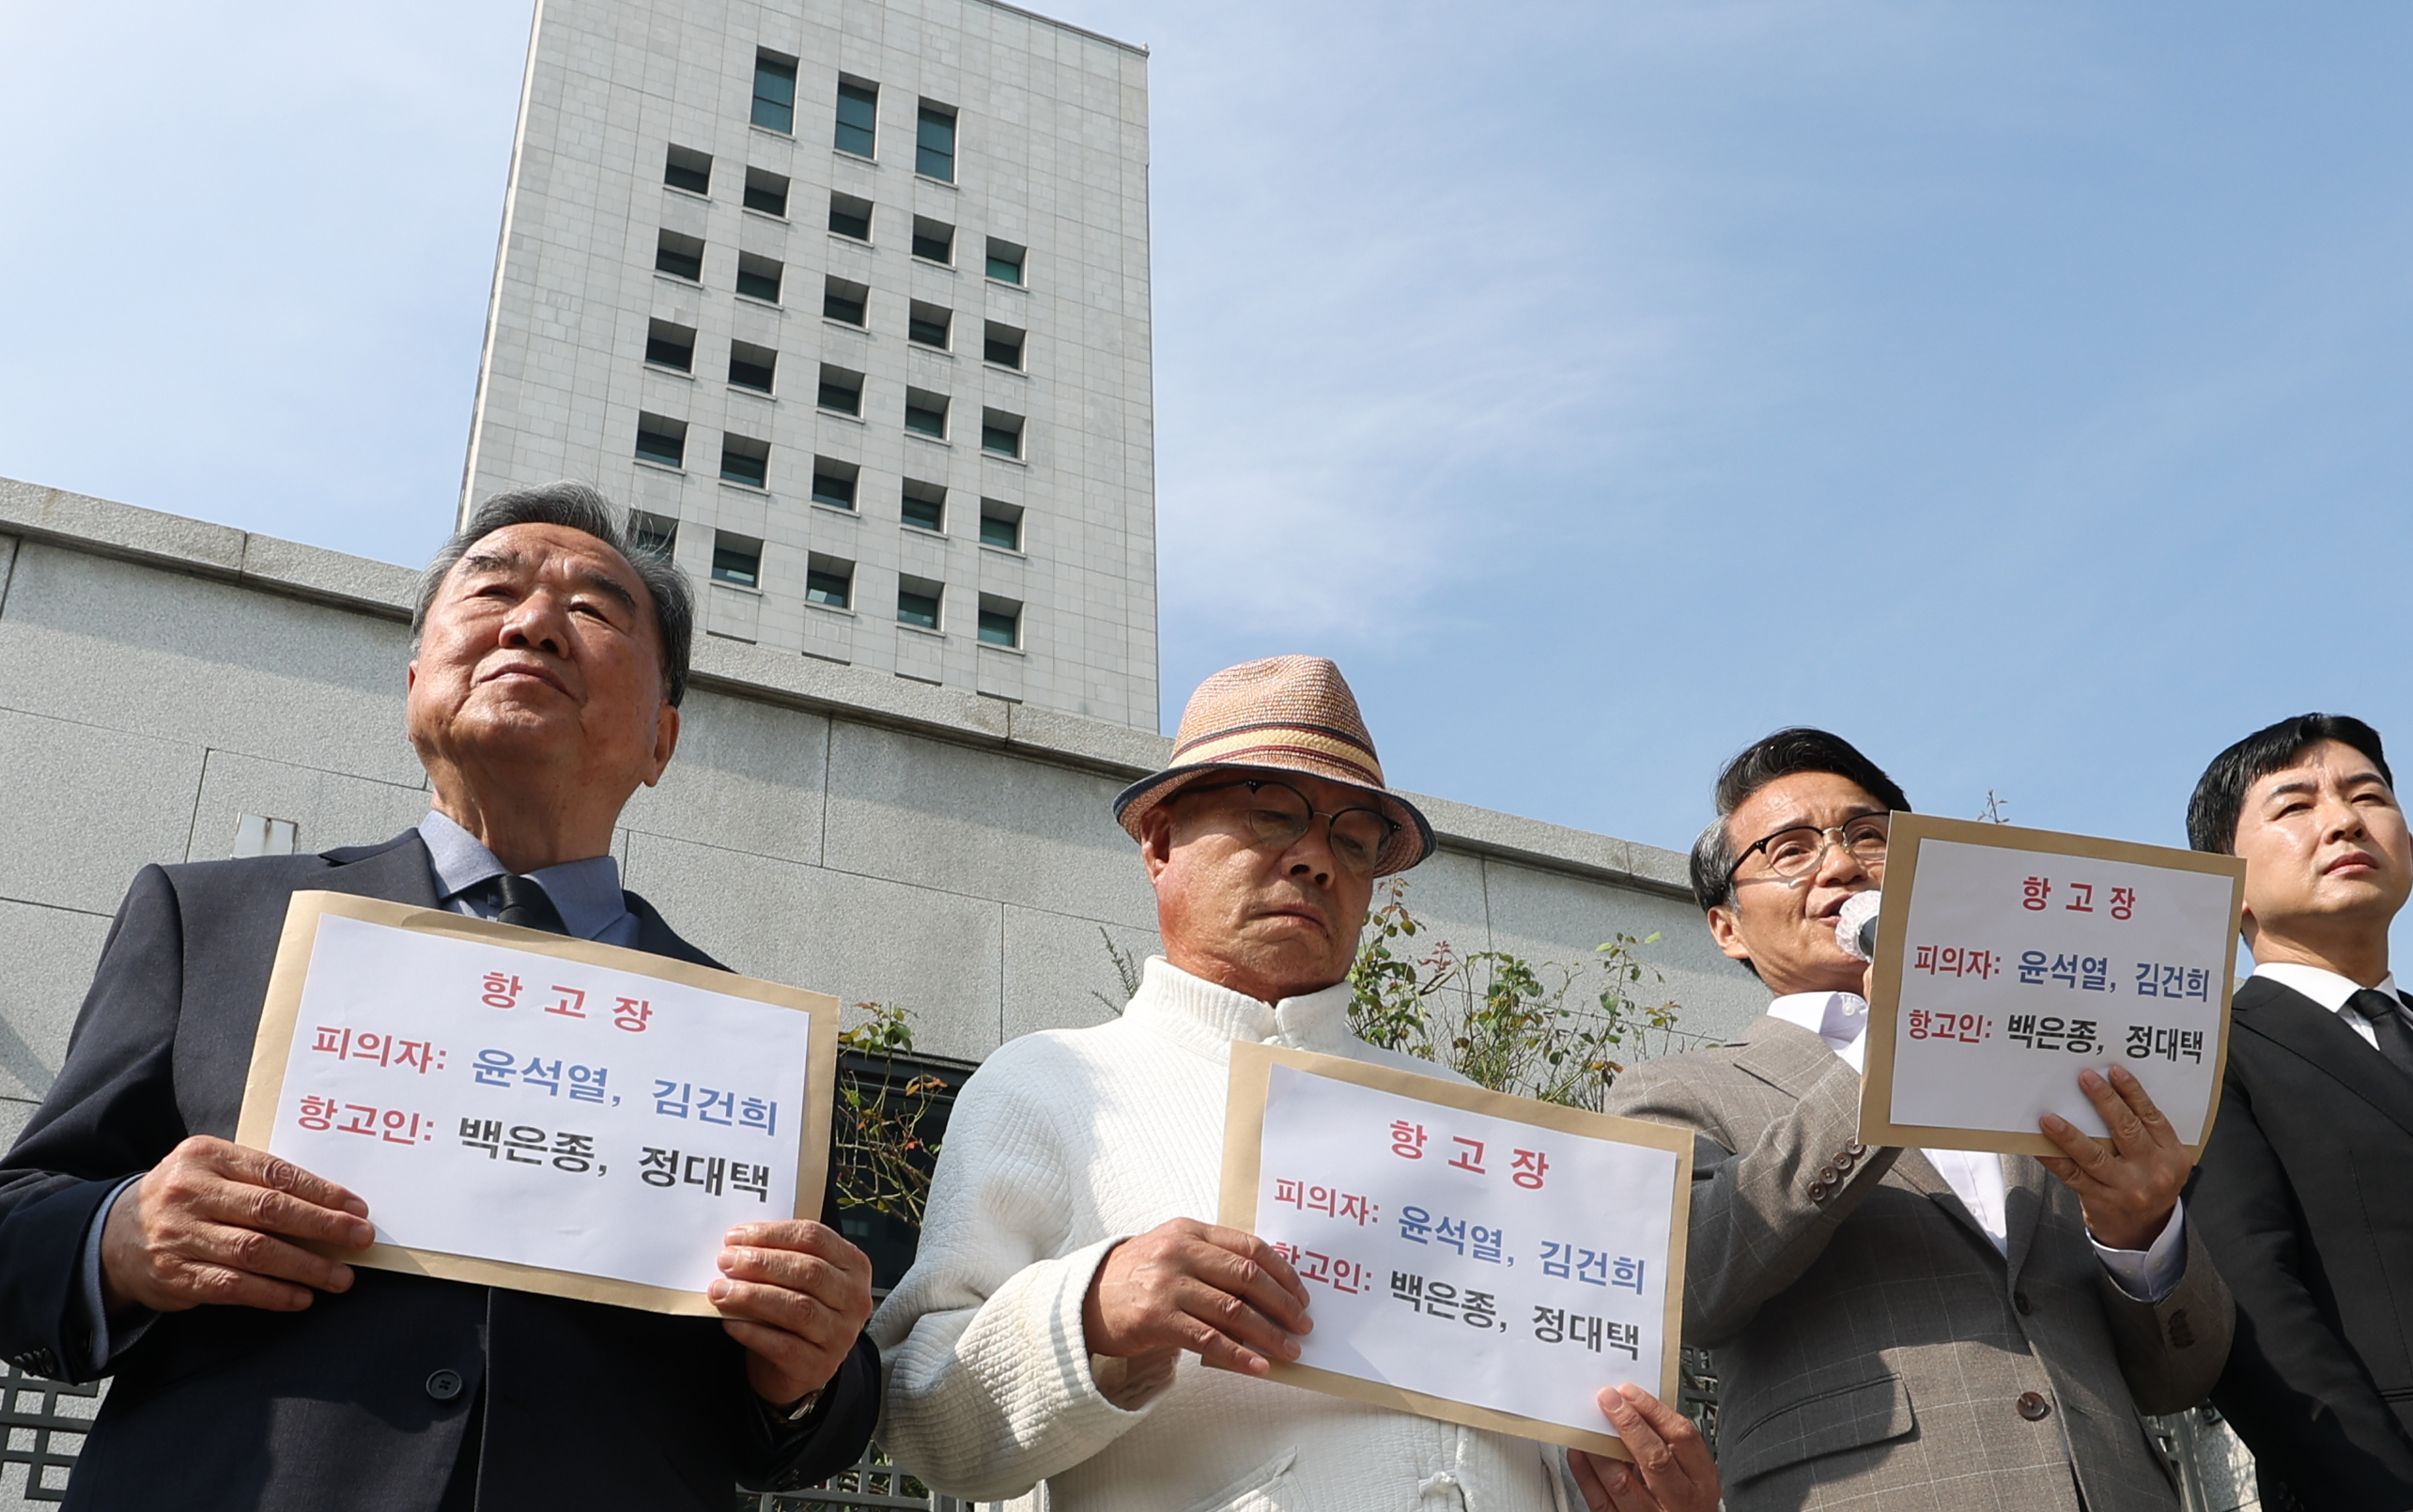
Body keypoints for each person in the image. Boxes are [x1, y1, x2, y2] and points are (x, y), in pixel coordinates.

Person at [0, 484, 880, 1511]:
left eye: (595, 611)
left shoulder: (750, 1048)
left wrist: (812, 1375)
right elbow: (19, 1228)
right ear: (418, 674)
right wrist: (119, 1233)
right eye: (493, 589)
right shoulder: (213, 921)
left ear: (661, 741)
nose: (536, 622)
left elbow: (821, 1412)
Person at [871, 656, 1714, 1510]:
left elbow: (1548, 1447)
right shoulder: (1050, 1084)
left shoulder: (1477, 1130)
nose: (1316, 860)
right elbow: (919, 1421)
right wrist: (1093, 1311)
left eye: (1353, 841)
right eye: (1273, 817)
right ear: (1159, 842)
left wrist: (1634, 1493)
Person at [1608, 727, 2232, 1512]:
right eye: (1789, 850)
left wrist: (2142, 1237)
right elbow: (1695, 1287)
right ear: (1726, 927)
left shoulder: (2056, 1065)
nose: (1841, 863)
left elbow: (2184, 1375)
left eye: (1870, 836)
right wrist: (1893, 1052)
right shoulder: (1674, 1089)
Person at [2183, 714, 2413, 1512]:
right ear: (2223, 887)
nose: (2344, 819)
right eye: (2295, 806)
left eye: (2368, 795)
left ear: (2410, 846)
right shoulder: (2207, 1058)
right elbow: (2255, 1313)